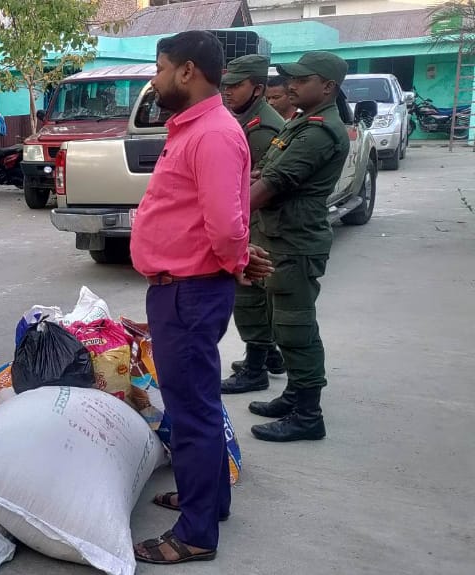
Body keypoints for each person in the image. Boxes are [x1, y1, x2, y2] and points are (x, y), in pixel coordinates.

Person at [128, 31, 268, 565]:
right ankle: (207, 499)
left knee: (192, 412)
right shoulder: (197, 128)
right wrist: (234, 258)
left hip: (187, 292)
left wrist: (235, 260)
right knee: (194, 405)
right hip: (184, 290)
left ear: (187, 71)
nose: (155, 78)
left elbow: (228, 225)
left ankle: (196, 534)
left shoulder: (210, 134)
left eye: (160, 67)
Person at [245, 52, 350, 443]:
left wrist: (229, 215)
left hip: (296, 242)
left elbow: (276, 182)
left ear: (328, 87)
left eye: (301, 79)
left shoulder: (319, 131)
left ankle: (309, 415)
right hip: (281, 238)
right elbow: (266, 170)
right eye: (290, 78)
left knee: (296, 328)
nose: (290, 85)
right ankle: (293, 395)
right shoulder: (300, 123)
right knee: (280, 322)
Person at [219, 54, 289, 395]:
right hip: (254, 220)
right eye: (226, 85)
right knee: (256, 295)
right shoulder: (247, 118)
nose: (228, 92)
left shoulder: (262, 128)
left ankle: (256, 368)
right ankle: (266, 356)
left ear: (258, 88)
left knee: (249, 296)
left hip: (259, 222)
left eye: (236, 86)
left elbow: (262, 184)